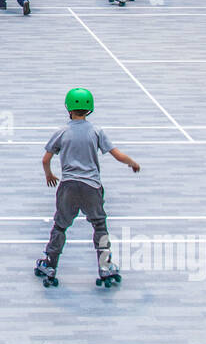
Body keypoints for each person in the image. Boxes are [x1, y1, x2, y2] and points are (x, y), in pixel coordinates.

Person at [34, 88, 141, 289]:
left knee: (60, 226)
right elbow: (117, 155)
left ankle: (50, 264)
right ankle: (105, 267)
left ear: (68, 108)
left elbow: (46, 159)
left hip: (68, 188)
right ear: (89, 109)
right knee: (100, 227)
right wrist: (132, 163)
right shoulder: (96, 132)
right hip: (92, 187)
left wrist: (49, 174)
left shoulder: (62, 133)